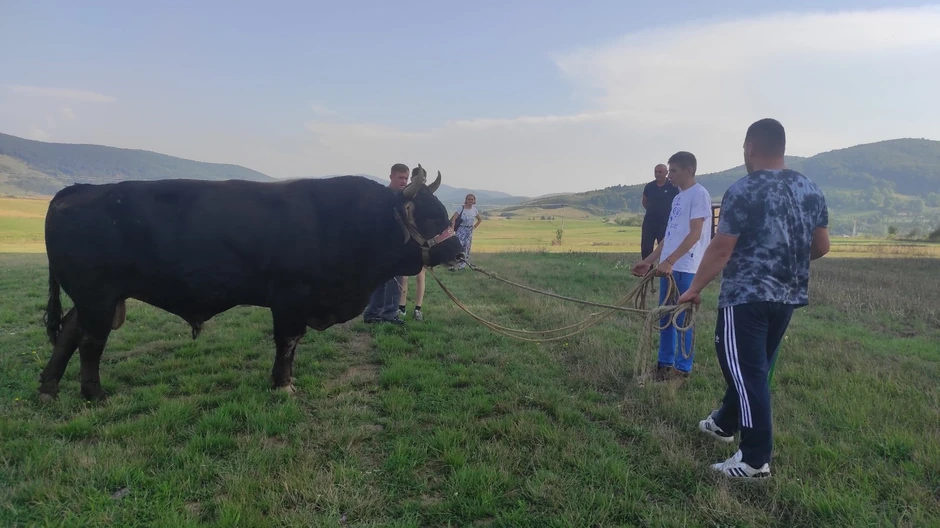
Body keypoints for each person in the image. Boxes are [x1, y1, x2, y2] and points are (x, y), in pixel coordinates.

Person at [677, 118, 830, 480]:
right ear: (782, 147)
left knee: (746, 372)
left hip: (745, 298)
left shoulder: (743, 189)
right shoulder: (810, 189)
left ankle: (755, 458)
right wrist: (783, 258)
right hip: (787, 296)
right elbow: (821, 246)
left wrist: (693, 288)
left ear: (749, 147)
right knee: (754, 367)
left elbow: (721, 248)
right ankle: (724, 423)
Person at [632, 151, 711, 381]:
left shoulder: (699, 195)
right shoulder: (677, 198)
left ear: (689, 170)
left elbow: (695, 234)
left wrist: (670, 261)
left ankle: (682, 369)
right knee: (665, 316)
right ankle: (664, 364)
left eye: (673, 171)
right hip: (670, 266)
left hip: (687, 267)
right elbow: (670, 236)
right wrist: (649, 261)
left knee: (682, 319)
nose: (670, 176)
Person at [362, 163, 411, 325]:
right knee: (382, 281)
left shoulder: (405, 198)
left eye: (406, 178)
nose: (403, 181)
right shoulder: (382, 196)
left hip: (398, 246)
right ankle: (376, 313)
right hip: (382, 246)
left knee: (395, 281)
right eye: (400, 178)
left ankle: (386, 314)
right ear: (391, 177)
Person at [399, 170, 428, 321]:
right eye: (417, 178)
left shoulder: (428, 197)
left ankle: (418, 309)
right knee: (403, 275)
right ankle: (401, 307)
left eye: (423, 179)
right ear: (412, 178)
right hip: (406, 240)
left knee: (420, 275)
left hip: (422, 243)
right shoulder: (405, 194)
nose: (420, 181)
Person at [640, 164, 680, 260]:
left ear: (666, 173)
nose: (657, 174)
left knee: (665, 249)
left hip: (666, 223)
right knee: (646, 249)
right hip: (649, 222)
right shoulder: (649, 186)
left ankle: (663, 272)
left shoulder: (673, 187)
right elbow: (644, 201)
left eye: (660, 172)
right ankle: (647, 273)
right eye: (656, 172)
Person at [449, 194, 481, 271]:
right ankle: (453, 265)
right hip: (461, 229)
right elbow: (453, 219)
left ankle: (462, 266)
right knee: (458, 246)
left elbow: (480, 219)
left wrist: (475, 226)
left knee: (466, 247)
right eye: (469, 199)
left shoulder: (475, 210)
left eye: (472, 199)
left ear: (474, 201)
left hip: (469, 230)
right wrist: (452, 229)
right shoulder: (461, 208)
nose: (470, 201)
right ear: (466, 200)